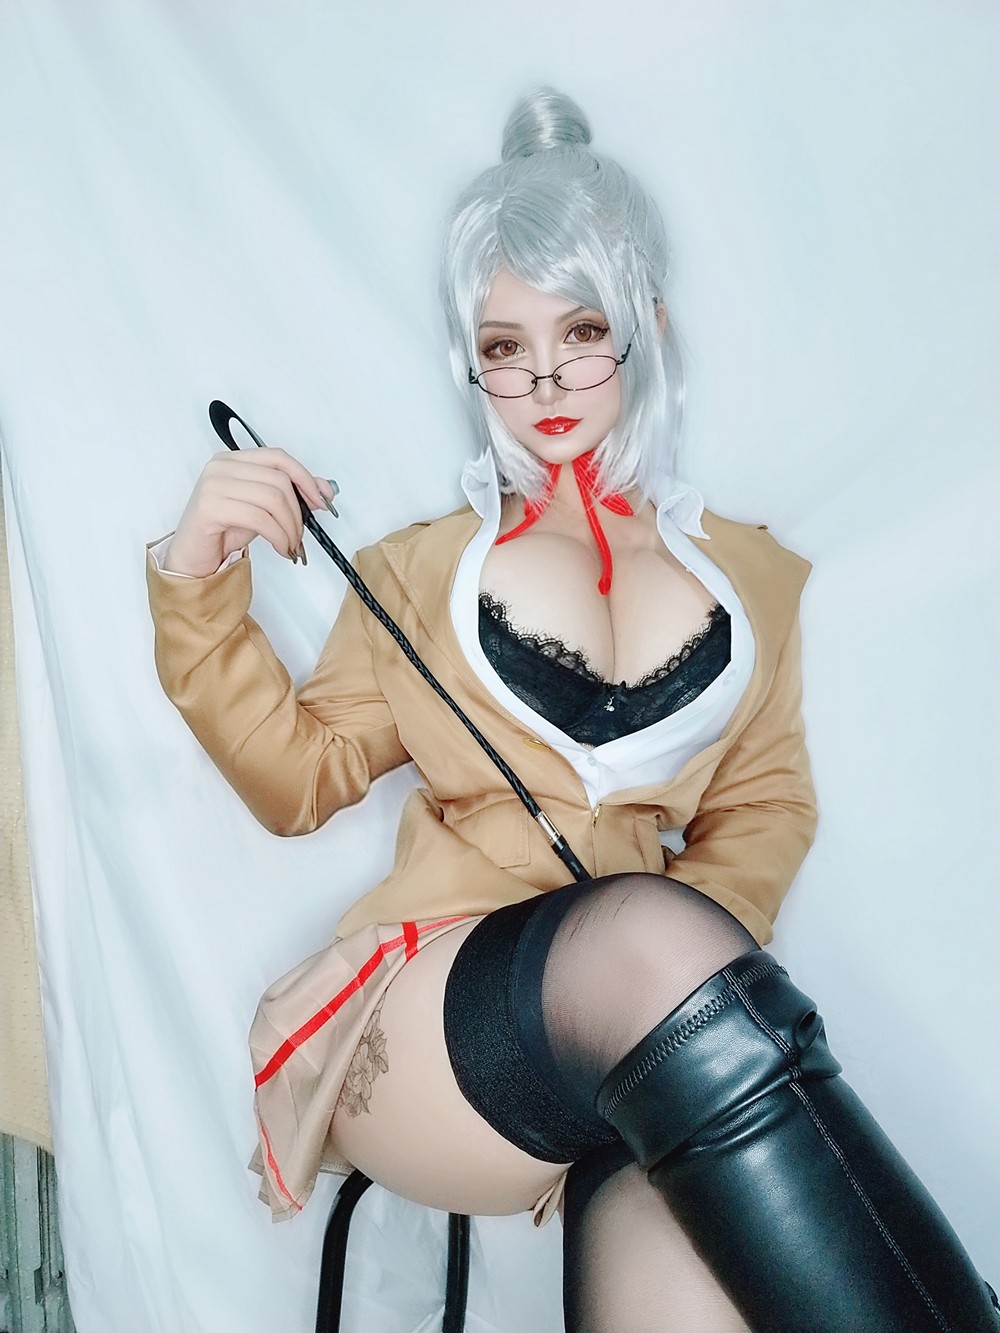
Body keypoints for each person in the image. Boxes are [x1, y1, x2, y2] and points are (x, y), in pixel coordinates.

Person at [147, 89, 999, 1333]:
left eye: (582, 329)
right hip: (432, 1026)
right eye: (504, 345)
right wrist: (196, 580)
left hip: (630, 1053)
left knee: (677, 1172)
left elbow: (762, 809)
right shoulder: (414, 572)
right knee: (648, 944)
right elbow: (296, 780)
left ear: (646, 324)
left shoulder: (750, 577)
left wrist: (683, 973)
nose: (543, 375)